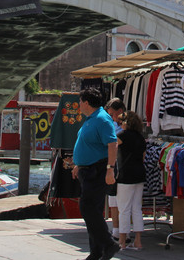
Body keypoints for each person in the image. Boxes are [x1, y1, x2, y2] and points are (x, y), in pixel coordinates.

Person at [71, 88, 119, 260]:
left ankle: (109, 244)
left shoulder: (101, 119)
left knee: (87, 207)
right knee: (94, 211)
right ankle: (97, 251)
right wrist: (79, 164)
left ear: (86, 102)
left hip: (97, 170)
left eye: (80, 101)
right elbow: (89, 145)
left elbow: (112, 144)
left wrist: (110, 169)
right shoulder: (91, 119)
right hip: (87, 169)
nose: (78, 105)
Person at [115, 111, 146, 251]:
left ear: (126, 122)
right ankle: (138, 241)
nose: (120, 124)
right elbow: (143, 157)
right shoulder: (141, 138)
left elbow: (111, 148)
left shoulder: (122, 136)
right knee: (136, 208)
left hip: (126, 175)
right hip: (139, 174)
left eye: (121, 122)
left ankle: (122, 241)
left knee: (124, 209)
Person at [104, 99, 125, 241]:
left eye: (112, 114)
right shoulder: (113, 125)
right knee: (113, 200)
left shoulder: (125, 129)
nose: (111, 117)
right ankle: (116, 230)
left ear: (120, 111)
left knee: (120, 201)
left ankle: (120, 231)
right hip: (113, 164)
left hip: (120, 166)